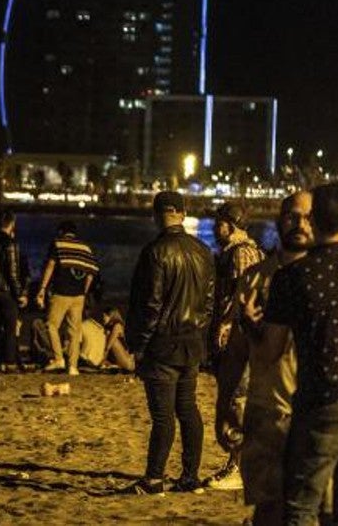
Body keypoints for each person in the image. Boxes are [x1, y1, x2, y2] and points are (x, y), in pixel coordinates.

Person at [264, 183, 338, 524]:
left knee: (301, 508)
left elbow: (271, 351)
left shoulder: (293, 278)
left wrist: (253, 325)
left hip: (322, 403)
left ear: (312, 220)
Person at [226, 191, 311, 526]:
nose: (300, 224)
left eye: (308, 216)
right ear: (279, 219)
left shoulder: (329, 279)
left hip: (315, 415)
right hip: (265, 413)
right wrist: (223, 404)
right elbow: (236, 350)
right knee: (268, 507)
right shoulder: (256, 278)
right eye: (292, 215)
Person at [121, 191, 214, 495]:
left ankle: (154, 479)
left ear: (157, 215)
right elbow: (209, 302)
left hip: (163, 345)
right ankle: (190, 476)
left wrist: (140, 345)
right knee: (188, 409)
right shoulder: (203, 251)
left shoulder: (156, 252)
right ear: (183, 214)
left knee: (162, 417)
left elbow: (151, 305)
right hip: (192, 343)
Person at [204, 201, 265, 492]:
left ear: (233, 224)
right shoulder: (238, 252)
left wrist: (227, 323)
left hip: (241, 336)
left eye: (220, 222)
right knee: (234, 400)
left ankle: (239, 467)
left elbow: (246, 291)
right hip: (241, 335)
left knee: (236, 401)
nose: (216, 227)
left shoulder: (242, 253)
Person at [34, 221, 99, 375]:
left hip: (61, 292)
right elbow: (91, 273)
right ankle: (73, 366)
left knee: (51, 325)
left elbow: (50, 266)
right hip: (79, 296)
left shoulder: (58, 244)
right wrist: (84, 290)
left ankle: (58, 359)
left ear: (61, 231)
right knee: (74, 332)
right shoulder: (85, 248)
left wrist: (42, 288)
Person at [0, 211, 27, 372]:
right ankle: (9, 363)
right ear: (12, 224)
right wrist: (19, 293)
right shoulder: (10, 243)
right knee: (10, 328)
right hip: (6, 291)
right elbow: (13, 271)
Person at [77, 307, 135, 373]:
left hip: (128, 362)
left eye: (105, 316)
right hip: (119, 359)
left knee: (111, 340)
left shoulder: (117, 326)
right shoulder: (107, 327)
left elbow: (108, 346)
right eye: (103, 316)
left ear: (112, 316)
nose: (103, 318)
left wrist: (102, 359)